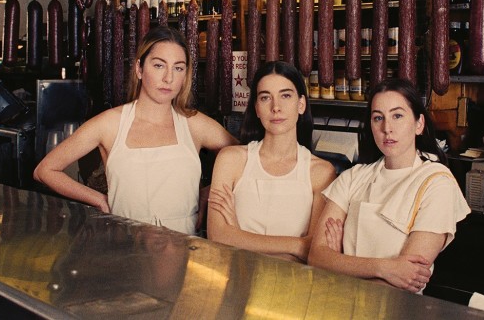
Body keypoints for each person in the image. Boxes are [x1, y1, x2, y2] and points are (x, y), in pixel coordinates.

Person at [33, 27, 237, 235]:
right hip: (125, 246)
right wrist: (100, 200)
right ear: (139, 69)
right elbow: (45, 170)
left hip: (184, 248)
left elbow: (248, 161)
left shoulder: (195, 125)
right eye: (159, 65)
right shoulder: (109, 124)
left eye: (178, 68)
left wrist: (207, 193)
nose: (168, 78)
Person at [307, 78, 470, 293]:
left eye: (398, 116)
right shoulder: (353, 177)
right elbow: (317, 257)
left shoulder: (437, 183)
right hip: (340, 307)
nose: (387, 128)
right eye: (378, 118)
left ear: (419, 124)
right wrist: (384, 267)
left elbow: (407, 279)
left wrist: (341, 264)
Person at [207, 61, 336, 262]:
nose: (276, 107)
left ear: (301, 104)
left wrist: (237, 235)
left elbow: (314, 252)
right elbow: (218, 235)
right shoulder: (230, 159)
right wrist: (297, 244)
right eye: (265, 97)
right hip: (237, 281)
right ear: (257, 109)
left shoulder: (321, 171)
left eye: (285, 96)